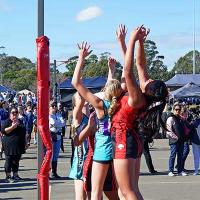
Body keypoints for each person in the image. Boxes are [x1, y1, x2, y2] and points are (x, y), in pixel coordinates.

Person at [72, 43, 118, 200]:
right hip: (116, 150)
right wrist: (111, 72)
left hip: (102, 150)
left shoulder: (100, 106)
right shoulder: (118, 105)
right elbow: (110, 89)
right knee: (117, 191)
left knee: (95, 193)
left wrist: (81, 58)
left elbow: (76, 83)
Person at [69, 92, 89, 200]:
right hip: (81, 161)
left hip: (92, 158)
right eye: (79, 97)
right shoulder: (77, 117)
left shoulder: (90, 115)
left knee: (95, 195)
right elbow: (79, 106)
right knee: (81, 196)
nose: (83, 97)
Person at [1, 107, 26, 182]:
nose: (14, 115)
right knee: (8, 160)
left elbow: (24, 132)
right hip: (9, 145)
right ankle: (8, 176)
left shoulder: (20, 122)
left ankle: (15, 175)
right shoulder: (7, 121)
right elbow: (3, 131)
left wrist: (26, 142)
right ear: (10, 114)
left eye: (16, 113)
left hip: (19, 145)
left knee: (16, 161)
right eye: (13, 113)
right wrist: (12, 127)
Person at [166, 103, 187, 176]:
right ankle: (170, 171)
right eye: (176, 109)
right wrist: (176, 137)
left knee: (180, 156)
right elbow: (168, 130)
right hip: (174, 141)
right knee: (173, 155)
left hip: (181, 141)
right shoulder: (170, 118)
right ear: (173, 110)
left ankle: (180, 171)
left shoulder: (180, 118)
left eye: (179, 109)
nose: (178, 111)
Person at [49, 101, 65, 178]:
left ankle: (54, 172)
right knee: (49, 155)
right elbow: (53, 123)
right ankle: (47, 172)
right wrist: (57, 124)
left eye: (55, 106)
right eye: (53, 106)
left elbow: (63, 123)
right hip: (50, 136)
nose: (54, 107)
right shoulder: (48, 115)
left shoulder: (58, 114)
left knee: (56, 155)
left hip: (58, 137)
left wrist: (56, 124)